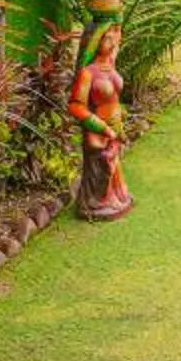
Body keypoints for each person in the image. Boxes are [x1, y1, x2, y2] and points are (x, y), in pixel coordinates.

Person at [68, 18, 134, 220]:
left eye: (113, 35)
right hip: (99, 132)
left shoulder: (110, 64)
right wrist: (101, 127)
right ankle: (94, 205)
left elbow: (118, 32)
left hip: (115, 128)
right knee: (102, 167)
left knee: (113, 165)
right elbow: (75, 106)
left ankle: (114, 200)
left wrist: (115, 16)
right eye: (105, 37)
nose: (112, 39)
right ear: (94, 41)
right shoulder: (88, 73)